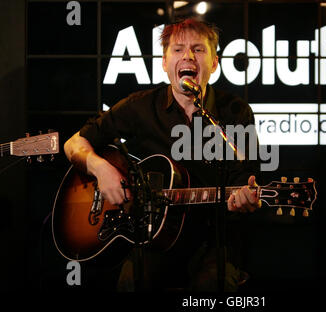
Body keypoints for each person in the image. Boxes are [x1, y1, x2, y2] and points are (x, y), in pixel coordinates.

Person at [63, 18, 261, 291]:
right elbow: (74, 144)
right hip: (152, 241)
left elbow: (246, 183)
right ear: (165, 62)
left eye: (198, 49)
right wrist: (101, 169)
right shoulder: (139, 107)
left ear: (214, 63)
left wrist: (245, 200)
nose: (188, 56)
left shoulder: (235, 113)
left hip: (213, 242)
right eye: (178, 49)